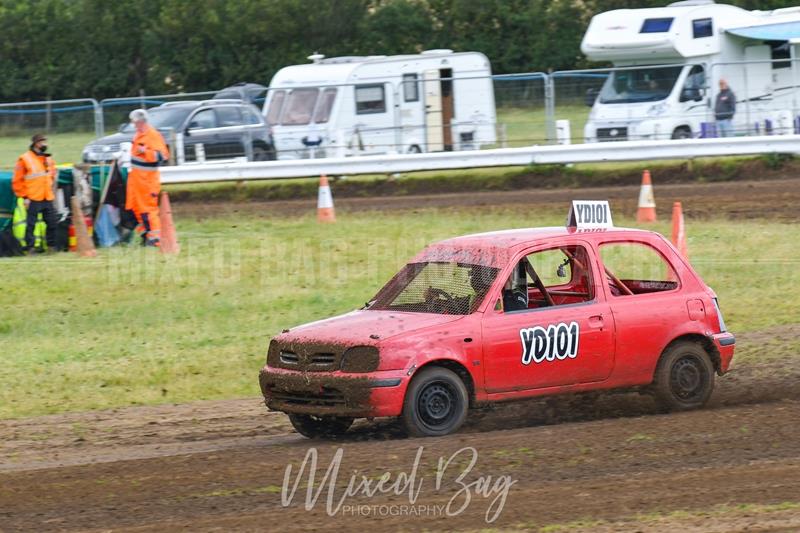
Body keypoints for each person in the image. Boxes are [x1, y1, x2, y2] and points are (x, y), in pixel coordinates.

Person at [126, 109, 169, 246]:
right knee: (136, 208)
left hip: (147, 181)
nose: (134, 125)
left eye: (135, 122)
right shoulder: (139, 134)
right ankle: (146, 235)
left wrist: (145, 152)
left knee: (148, 210)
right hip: (137, 180)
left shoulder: (153, 135)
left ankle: (155, 239)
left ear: (141, 121)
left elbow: (163, 156)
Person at [11, 133, 57, 253]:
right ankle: (30, 248)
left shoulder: (48, 158)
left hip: (47, 196)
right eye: (42, 142)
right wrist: (25, 197)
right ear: (36, 144)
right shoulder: (24, 159)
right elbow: (17, 180)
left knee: (52, 223)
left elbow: (52, 175)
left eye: (45, 142)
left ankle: (51, 246)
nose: (45, 144)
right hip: (32, 197)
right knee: (31, 225)